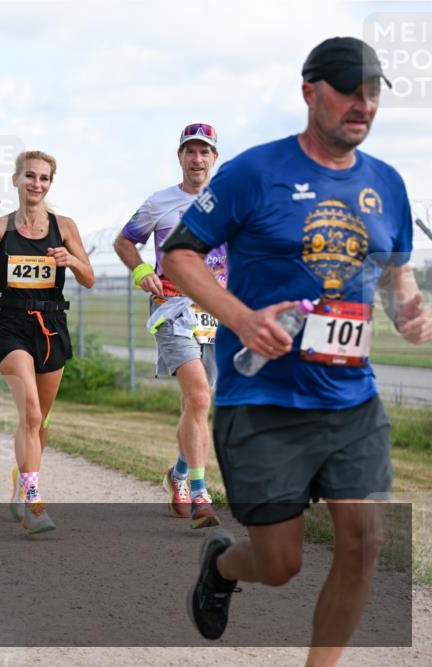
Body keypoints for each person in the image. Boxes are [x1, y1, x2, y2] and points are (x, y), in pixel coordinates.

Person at [162, 37, 431, 663]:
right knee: (279, 563)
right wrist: (239, 316)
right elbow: (180, 252)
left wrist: (408, 308)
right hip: (263, 397)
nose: (362, 104)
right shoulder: (255, 172)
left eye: (372, 92)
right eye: (348, 89)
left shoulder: (387, 183)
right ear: (310, 92)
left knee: (363, 544)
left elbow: (395, 273)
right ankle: (225, 566)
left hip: (350, 398)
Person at [0, 151, 95, 534]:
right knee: (32, 414)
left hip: (52, 325)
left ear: (50, 184)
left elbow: (89, 278)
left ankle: (20, 483)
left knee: (41, 425)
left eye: (43, 178)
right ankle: (35, 503)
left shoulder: (65, 226)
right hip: (11, 325)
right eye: (30, 176)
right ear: (17, 180)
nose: (36, 184)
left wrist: (70, 261)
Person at [113, 123, 226, 529]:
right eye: (190, 151)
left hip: (215, 313)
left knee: (198, 403)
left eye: (205, 152)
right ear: (179, 157)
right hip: (173, 307)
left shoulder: (230, 203)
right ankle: (199, 493)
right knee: (198, 398)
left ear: (215, 158)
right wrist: (142, 268)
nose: (197, 159)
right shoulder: (159, 202)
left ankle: (179, 473)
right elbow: (125, 241)